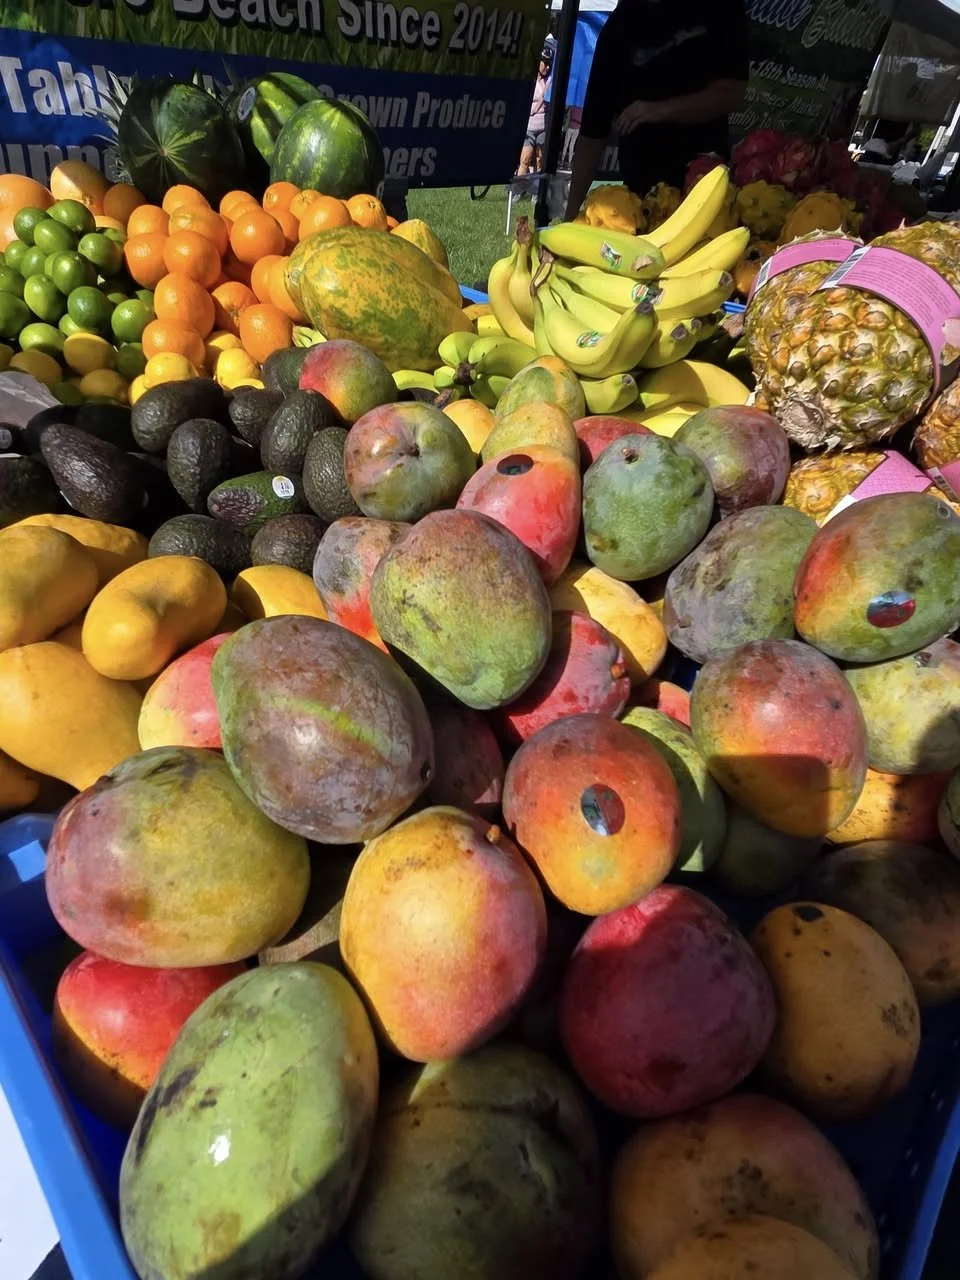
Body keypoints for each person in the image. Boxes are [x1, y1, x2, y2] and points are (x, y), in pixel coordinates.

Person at [564, 0, 749, 219]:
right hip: (640, 200)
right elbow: (592, 135)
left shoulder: (719, 8)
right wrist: (570, 216)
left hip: (707, 190)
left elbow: (732, 94)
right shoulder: (620, 26)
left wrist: (657, 110)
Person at [518, 45, 554, 176]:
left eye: (550, 64)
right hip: (529, 127)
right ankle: (517, 191)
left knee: (540, 161)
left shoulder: (550, 81)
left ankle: (536, 192)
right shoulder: (529, 80)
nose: (547, 67)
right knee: (525, 160)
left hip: (543, 128)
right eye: (545, 63)